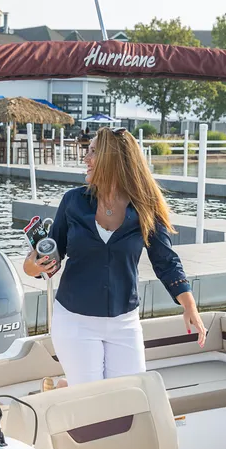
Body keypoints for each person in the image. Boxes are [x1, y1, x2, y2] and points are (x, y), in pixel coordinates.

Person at [23, 127, 206, 387]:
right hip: (75, 320)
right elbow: (51, 259)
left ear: (114, 159)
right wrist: (32, 266)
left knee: (129, 395)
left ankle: (62, 386)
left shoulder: (145, 209)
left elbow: (166, 261)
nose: (86, 158)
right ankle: (69, 387)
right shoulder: (72, 202)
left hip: (124, 322)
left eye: (93, 152)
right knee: (92, 399)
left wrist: (190, 306)